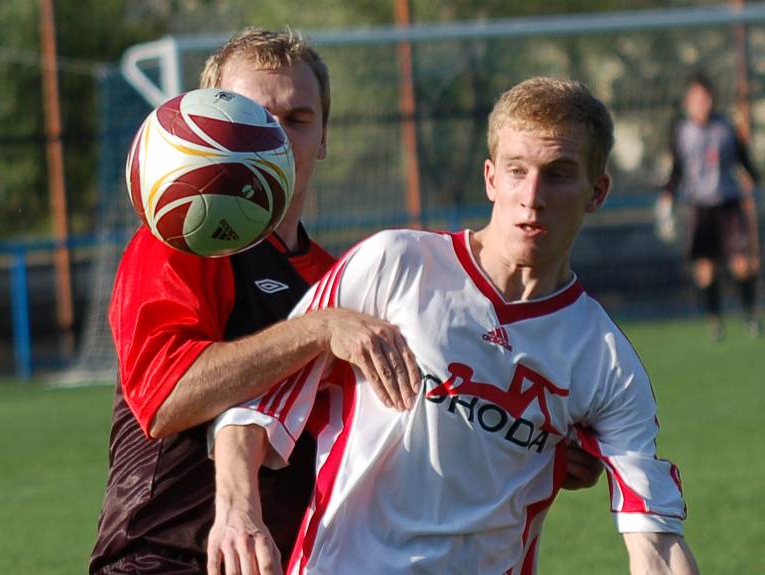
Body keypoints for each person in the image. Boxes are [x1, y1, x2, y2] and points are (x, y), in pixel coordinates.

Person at [208, 77, 700, 575]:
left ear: (598, 192)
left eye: (558, 174)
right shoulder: (395, 264)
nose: (532, 196)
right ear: (490, 178)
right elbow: (255, 405)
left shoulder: (605, 358)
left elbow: (654, 539)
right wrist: (236, 511)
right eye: (516, 171)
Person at [88, 28, 424, 575]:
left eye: (298, 120)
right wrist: (316, 329)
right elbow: (166, 398)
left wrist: (545, 449)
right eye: (253, 118)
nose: (276, 139)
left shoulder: (336, 277)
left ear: (324, 139)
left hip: (282, 560)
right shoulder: (183, 238)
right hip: (165, 555)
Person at [660, 71, 761, 341]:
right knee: (706, 269)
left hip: (728, 203)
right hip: (699, 207)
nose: (702, 103)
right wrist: (666, 198)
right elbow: (676, 170)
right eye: (696, 99)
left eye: (706, 98)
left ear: (712, 99)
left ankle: (750, 315)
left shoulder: (726, 127)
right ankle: (714, 321)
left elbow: (745, 163)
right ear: (688, 102)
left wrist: (755, 179)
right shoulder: (682, 131)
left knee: (742, 264)